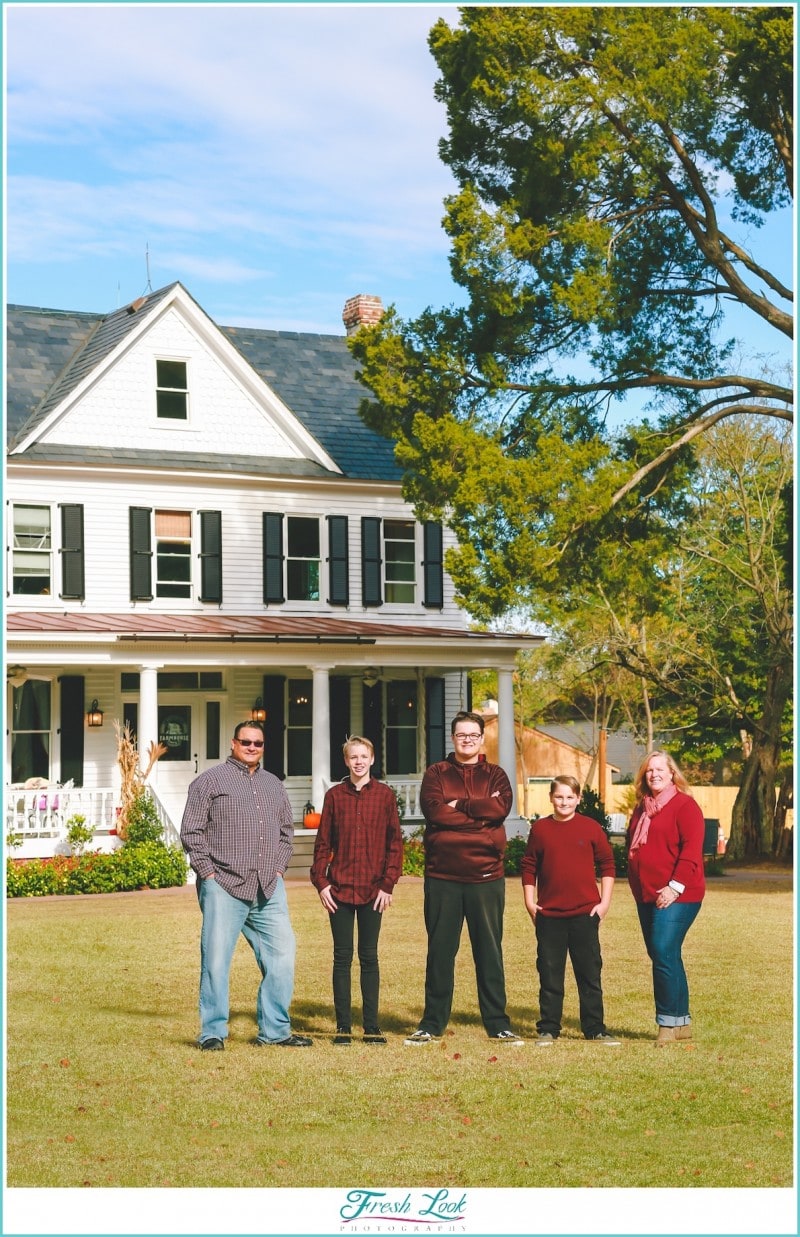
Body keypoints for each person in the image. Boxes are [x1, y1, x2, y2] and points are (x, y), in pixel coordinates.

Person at [180, 721, 312, 1051]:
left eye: (258, 743)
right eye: (246, 742)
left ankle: (275, 1031)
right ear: (233, 743)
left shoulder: (274, 785)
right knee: (216, 961)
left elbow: (286, 832)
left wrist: (279, 868)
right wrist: (207, 873)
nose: (252, 747)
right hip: (223, 885)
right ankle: (212, 1032)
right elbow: (191, 832)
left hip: (268, 886)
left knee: (282, 957)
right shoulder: (209, 782)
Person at [404, 711, 524, 1046]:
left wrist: (460, 805)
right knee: (440, 951)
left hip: (487, 876)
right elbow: (435, 811)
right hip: (443, 876)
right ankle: (431, 1023)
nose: (467, 740)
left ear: (482, 739)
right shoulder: (436, 773)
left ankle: (498, 1023)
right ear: (453, 738)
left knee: (489, 951)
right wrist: (479, 814)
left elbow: (500, 811)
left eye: (473, 735)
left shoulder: (496, 775)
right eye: (461, 735)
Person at [310, 736, 403, 1045]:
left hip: (374, 890)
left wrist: (388, 884)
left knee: (369, 957)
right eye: (353, 757)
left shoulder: (385, 796)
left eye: (364, 756)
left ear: (372, 759)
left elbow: (394, 845)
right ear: (346, 761)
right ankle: (343, 1028)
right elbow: (323, 844)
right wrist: (322, 883)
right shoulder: (334, 796)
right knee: (342, 957)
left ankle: (372, 1027)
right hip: (339, 890)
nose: (359, 762)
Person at [521, 776, 619, 1046]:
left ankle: (595, 1028)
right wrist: (530, 902)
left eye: (569, 797)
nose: (564, 802)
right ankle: (549, 1028)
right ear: (551, 798)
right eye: (559, 796)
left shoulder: (590, 828)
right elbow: (529, 866)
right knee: (550, 972)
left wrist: (604, 902)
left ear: (578, 799)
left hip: (585, 914)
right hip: (549, 915)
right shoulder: (540, 829)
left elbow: (607, 865)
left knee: (589, 973)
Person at [626, 750, 705, 1046]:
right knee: (665, 953)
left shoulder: (685, 806)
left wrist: (674, 887)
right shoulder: (642, 808)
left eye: (660, 769)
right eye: (649, 770)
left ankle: (668, 1024)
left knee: (662, 950)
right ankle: (682, 1022)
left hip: (679, 894)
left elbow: (692, 851)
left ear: (672, 773)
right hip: (646, 893)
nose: (654, 774)